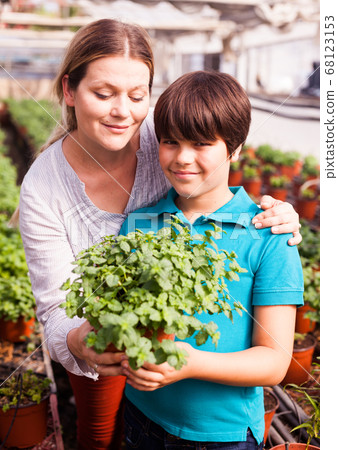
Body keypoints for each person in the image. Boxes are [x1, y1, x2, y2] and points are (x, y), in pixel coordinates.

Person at [18, 19, 302, 450]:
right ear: (69, 91)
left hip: (217, 426)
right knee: (99, 426)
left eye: (137, 96)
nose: (124, 112)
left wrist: (277, 213)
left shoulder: (165, 134)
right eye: (103, 93)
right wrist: (84, 341)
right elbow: (57, 310)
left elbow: (213, 155)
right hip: (123, 371)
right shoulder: (49, 189)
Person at [119, 71, 304, 449]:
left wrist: (189, 362)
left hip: (222, 436)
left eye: (202, 143)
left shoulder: (269, 234)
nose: (183, 157)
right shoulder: (140, 223)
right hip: (141, 417)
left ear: (235, 149)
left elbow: (274, 362)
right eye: (170, 141)